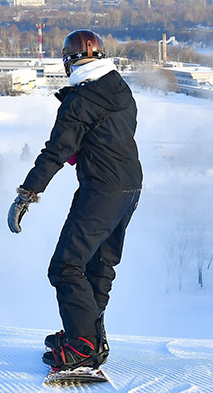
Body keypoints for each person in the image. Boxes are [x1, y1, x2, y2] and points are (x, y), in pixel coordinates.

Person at [8, 30, 143, 371]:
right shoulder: (119, 88)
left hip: (101, 190)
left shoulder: (79, 100)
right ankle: (86, 337)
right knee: (99, 265)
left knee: (65, 266)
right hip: (130, 188)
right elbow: (114, 133)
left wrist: (27, 193)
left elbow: (56, 151)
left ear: (68, 62)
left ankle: (83, 345)